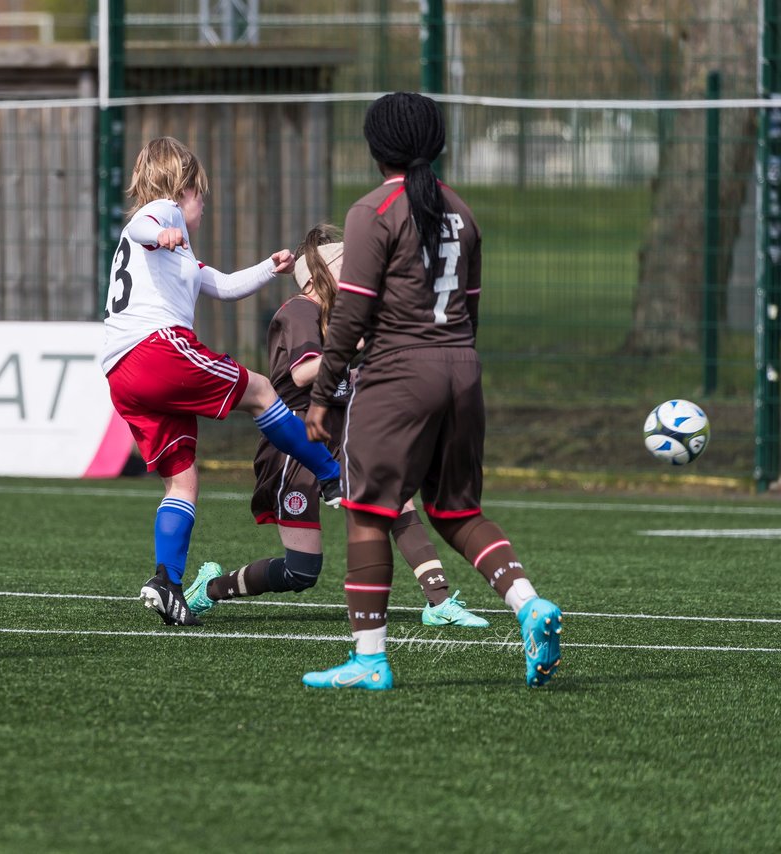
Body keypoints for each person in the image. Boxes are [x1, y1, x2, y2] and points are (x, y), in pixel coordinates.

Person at [300, 93, 562, 690]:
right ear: (437, 144)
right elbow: (470, 311)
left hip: (398, 375)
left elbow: (352, 316)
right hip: (461, 368)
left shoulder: (373, 210)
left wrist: (324, 395)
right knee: (456, 509)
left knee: (368, 511)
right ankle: (528, 604)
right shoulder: (462, 212)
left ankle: (368, 659)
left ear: (375, 148)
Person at [185, 225, 488, 629]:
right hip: (296, 446)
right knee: (301, 572)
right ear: (320, 275)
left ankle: (439, 600)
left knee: (398, 500)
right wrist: (357, 346)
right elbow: (304, 373)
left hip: (342, 437)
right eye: (349, 267)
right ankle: (211, 588)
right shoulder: (299, 311)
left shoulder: (341, 316)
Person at [101, 136, 345, 628]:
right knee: (260, 391)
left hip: (121, 371)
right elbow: (149, 222)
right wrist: (162, 231)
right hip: (155, 349)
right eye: (201, 195)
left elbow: (223, 285)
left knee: (183, 480)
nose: (203, 205)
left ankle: (166, 582)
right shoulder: (161, 214)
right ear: (181, 187)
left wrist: (267, 269)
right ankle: (328, 472)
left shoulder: (179, 254)